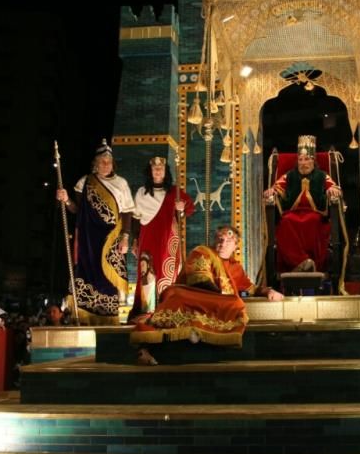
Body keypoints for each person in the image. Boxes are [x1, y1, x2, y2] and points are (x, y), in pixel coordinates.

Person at [131, 226, 283, 348]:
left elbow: (251, 288)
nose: (223, 243)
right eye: (220, 239)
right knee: (177, 295)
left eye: (228, 241)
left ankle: (204, 333)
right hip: (194, 294)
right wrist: (221, 297)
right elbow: (200, 281)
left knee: (236, 304)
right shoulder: (202, 251)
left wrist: (268, 290)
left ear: (236, 246)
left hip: (214, 301)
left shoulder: (235, 267)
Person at [56, 139, 135, 318]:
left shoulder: (121, 183)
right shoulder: (85, 182)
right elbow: (77, 209)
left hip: (111, 238)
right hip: (89, 239)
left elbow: (127, 212)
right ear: (95, 164)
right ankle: (84, 316)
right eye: (102, 162)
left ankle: (108, 316)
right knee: (87, 275)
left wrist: (125, 237)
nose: (106, 165)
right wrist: (66, 199)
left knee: (109, 280)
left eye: (108, 162)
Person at [263, 135, 342, 273]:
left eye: (307, 159)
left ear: (313, 160)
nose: (303, 163)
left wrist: (332, 190)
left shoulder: (322, 175)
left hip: (315, 214)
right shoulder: (289, 175)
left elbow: (334, 188)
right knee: (285, 222)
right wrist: (271, 191)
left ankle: (311, 264)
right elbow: (276, 187)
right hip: (291, 214)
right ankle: (301, 261)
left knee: (314, 221)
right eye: (300, 159)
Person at [130, 156, 194, 316]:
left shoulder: (174, 192)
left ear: (165, 172)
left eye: (161, 168)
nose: (158, 170)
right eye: (154, 168)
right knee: (147, 272)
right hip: (147, 238)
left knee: (167, 273)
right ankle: (147, 311)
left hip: (167, 239)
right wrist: (135, 241)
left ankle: (167, 310)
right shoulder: (141, 193)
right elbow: (136, 220)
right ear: (150, 172)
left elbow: (189, 208)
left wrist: (181, 208)